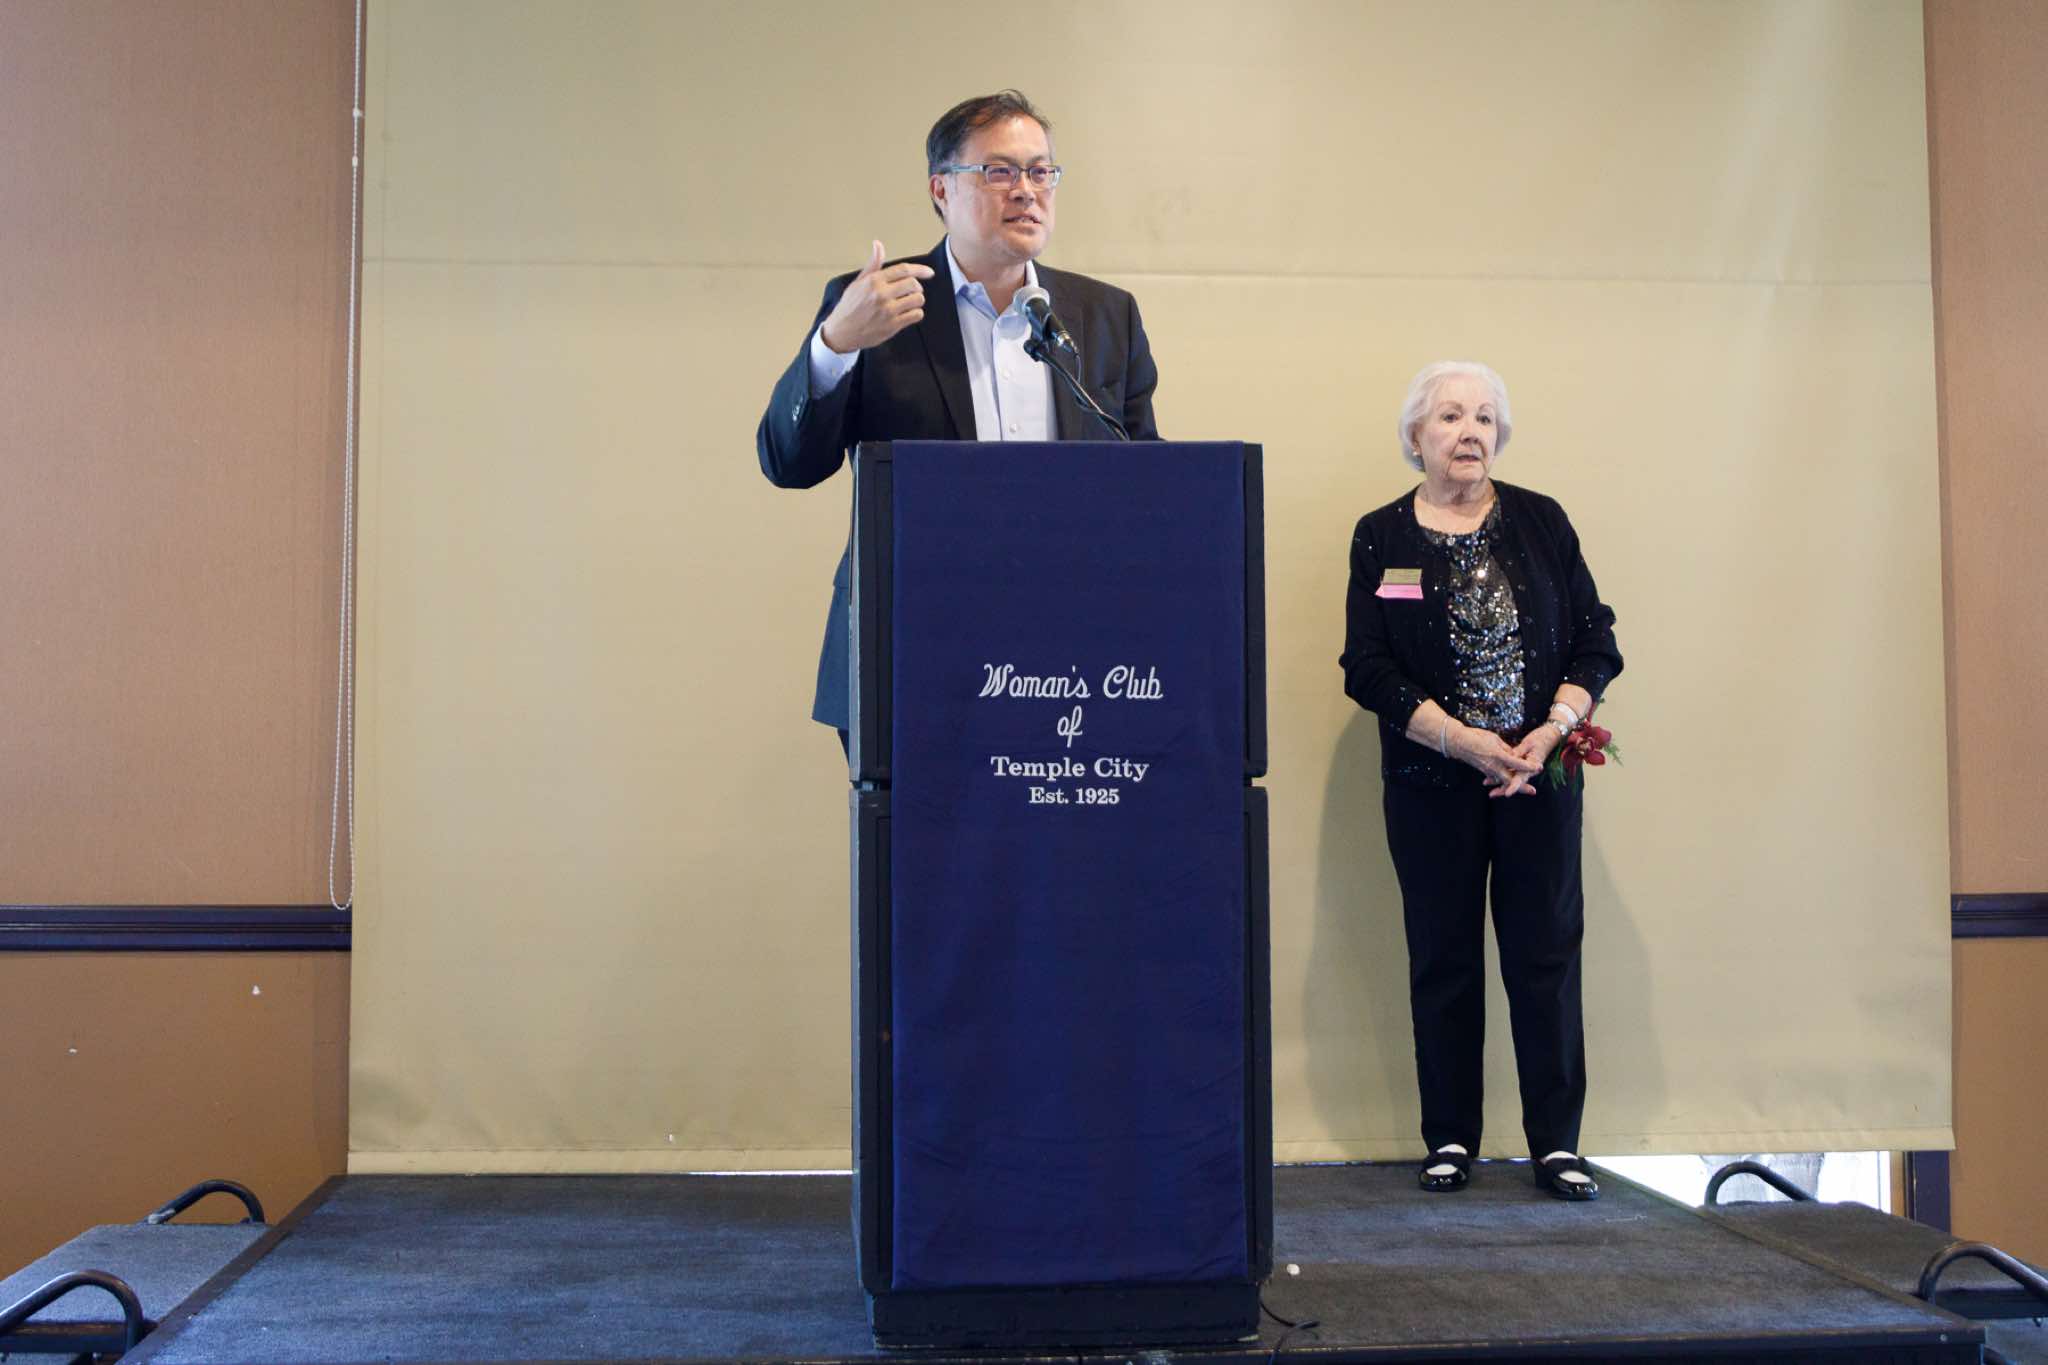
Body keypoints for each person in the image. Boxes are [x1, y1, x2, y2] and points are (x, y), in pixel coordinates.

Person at [755, 91, 1161, 740]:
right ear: (941, 189)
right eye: (999, 171)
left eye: (1041, 171)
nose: (1026, 190)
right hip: (910, 654)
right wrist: (834, 346)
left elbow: (1148, 484)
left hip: (1071, 657)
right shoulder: (875, 304)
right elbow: (788, 463)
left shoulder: (1104, 315)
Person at [1339, 361, 1622, 1201]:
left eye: (1485, 418)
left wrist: (1553, 729)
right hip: (1431, 783)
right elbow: (1367, 667)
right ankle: (1451, 1137)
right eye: (1451, 416)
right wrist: (1461, 740)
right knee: (1444, 959)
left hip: (1537, 778)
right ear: (1415, 436)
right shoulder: (1380, 537)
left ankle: (1557, 1145)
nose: (1470, 432)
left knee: (1546, 956)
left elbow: (1597, 641)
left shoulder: (1543, 520)